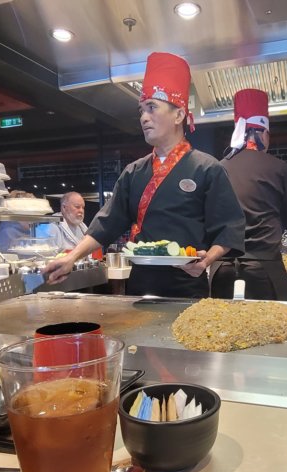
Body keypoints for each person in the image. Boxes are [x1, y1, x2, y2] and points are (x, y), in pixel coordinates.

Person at [42, 52, 244, 298]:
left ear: (179, 115)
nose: (143, 118)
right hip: (139, 286)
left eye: (152, 108)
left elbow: (229, 227)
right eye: (141, 110)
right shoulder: (134, 171)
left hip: (188, 286)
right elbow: (107, 223)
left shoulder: (207, 168)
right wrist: (71, 258)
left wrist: (207, 259)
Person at [210, 88, 287, 300]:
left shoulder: (217, 167)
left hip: (221, 268)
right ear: (264, 134)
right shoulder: (279, 168)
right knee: (269, 322)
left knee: (221, 321)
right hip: (262, 270)